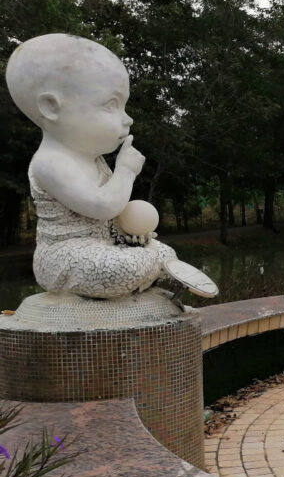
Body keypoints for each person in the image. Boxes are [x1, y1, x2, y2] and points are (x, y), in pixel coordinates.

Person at [5, 33, 213, 299]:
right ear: (51, 107)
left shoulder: (93, 159)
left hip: (103, 244)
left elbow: (111, 216)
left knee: (164, 252)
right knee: (116, 267)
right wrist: (125, 171)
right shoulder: (50, 163)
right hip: (67, 255)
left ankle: (151, 266)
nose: (127, 120)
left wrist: (130, 231)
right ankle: (146, 272)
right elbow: (102, 206)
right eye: (111, 105)